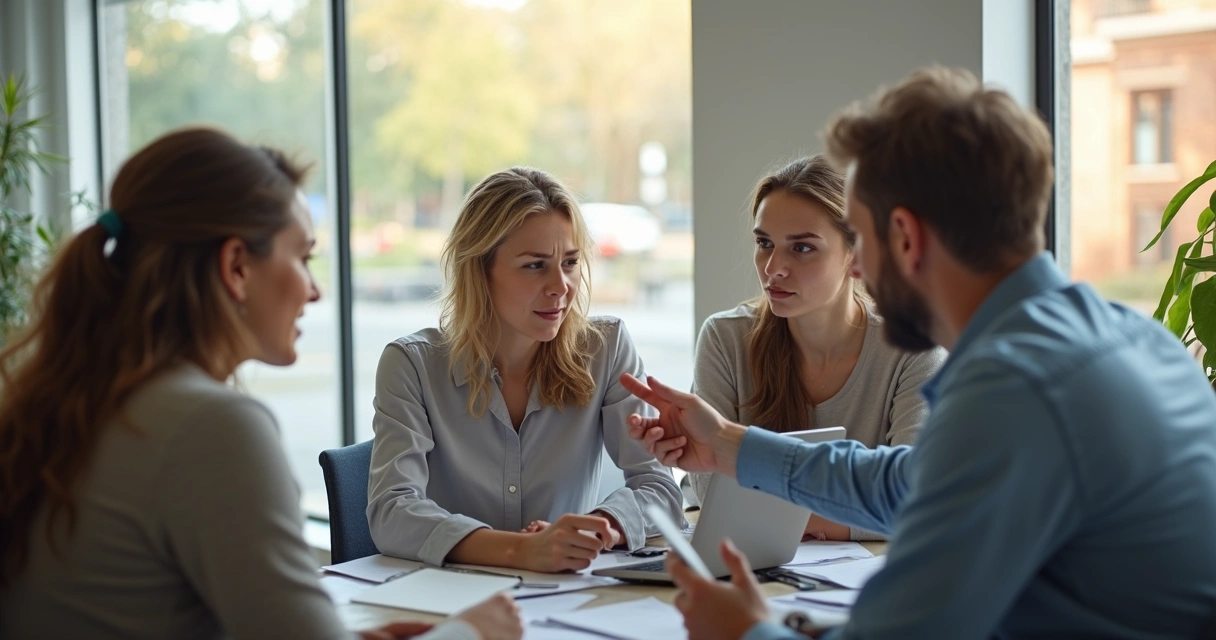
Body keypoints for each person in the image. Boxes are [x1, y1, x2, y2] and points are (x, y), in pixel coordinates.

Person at [626, 67, 1216, 639]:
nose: (856, 268)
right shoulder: (1136, 341)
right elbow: (912, 488)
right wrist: (729, 445)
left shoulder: (1015, 388)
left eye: (860, 237)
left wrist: (747, 633)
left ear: (905, 237)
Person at [0, 128, 521, 640]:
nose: (315, 290)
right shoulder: (211, 426)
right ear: (235, 267)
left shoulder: (69, 399)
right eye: (303, 257)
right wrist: (472, 633)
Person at [367, 167, 683, 572]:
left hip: (567, 596)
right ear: (480, 270)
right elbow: (392, 511)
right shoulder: (411, 365)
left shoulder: (605, 349)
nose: (561, 286)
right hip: (454, 600)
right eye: (535, 266)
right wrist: (521, 551)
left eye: (570, 262)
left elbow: (659, 487)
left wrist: (599, 528)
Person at [688, 155, 943, 541]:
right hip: (753, 572)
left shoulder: (912, 349)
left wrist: (773, 518)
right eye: (764, 243)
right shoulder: (725, 339)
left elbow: (916, 501)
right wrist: (855, 517)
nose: (773, 267)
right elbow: (711, 495)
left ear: (854, 255)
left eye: (802, 248)